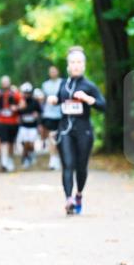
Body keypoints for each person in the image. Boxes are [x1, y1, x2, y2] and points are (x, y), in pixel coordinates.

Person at [47, 46, 105, 215]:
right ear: (68, 65)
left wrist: (88, 99)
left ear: (84, 65)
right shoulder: (64, 85)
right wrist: (53, 100)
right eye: (73, 62)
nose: (76, 65)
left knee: (81, 167)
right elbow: (60, 99)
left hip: (83, 131)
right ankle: (68, 200)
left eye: (79, 62)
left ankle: (78, 194)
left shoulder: (89, 85)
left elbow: (104, 106)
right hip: (65, 130)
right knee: (68, 165)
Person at [0, 75, 22, 172]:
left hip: (13, 122)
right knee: (3, 142)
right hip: (2, 121)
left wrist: (16, 108)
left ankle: (10, 160)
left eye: (6, 82)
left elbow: (22, 103)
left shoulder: (15, 93)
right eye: (3, 82)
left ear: (9, 82)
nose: (5, 84)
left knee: (11, 143)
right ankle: (4, 162)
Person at [40, 65, 63, 170]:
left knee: (60, 136)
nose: (53, 73)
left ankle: (59, 157)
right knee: (51, 136)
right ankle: (53, 158)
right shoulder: (45, 85)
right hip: (49, 114)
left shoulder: (63, 83)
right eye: (51, 71)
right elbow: (42, 100)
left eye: (54, 71)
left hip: (61, 114)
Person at [16, 82, 42, 167]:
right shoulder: (20, 102)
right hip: (23, 126)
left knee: (31, 144)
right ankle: (25, 158)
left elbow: (40, 112)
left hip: (33, 126)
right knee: (25, 143)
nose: (26, 94)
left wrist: (37, 115)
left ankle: (30, 154)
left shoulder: (35, 102)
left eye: (28, 93)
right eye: (25, 93)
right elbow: (17, 112)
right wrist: (19, 109)